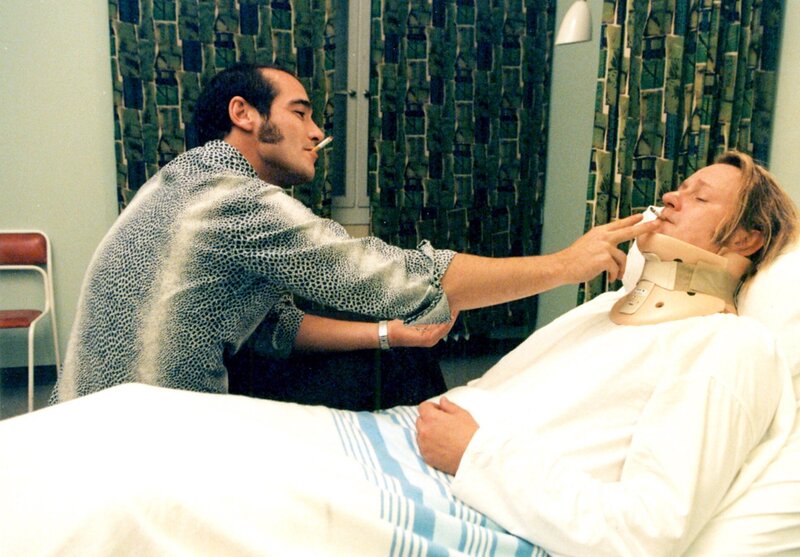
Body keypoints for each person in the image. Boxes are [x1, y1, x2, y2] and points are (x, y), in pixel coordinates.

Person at [51, 63, 655, 404]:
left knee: (396, 352)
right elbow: (398, 278)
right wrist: (566, 264)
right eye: (301, 112)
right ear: (244, 114)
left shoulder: (183, 181)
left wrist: (388, 333)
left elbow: (272, 328)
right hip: (139, 431)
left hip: (90, 408)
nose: (317, 132)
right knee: (404, 369)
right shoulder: (230, 199)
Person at [415, 150, 799, 555]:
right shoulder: (609, 306)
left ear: (745, 239)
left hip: (468, 499)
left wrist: (476, 455)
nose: (670, 197)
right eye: (679, 188)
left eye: (699, 197)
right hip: (428, 449)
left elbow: (647, 532)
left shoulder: (731, 346)